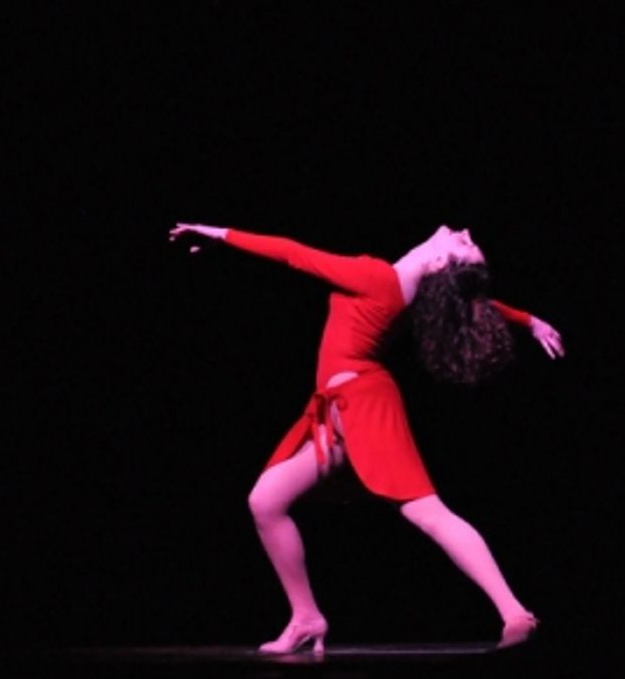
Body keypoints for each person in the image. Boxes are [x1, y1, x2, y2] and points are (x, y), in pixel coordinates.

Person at [167, 222, 565, 654]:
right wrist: (530, 320)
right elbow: (471, 299)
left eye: (464, 244)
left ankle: (515, 613)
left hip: (364, 402)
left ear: (437, 262)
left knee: (426, 512)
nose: (465, 231)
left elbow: (292, 252)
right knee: (266, 501)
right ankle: (306, 618)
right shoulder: (413, 288)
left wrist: (219, 234)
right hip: (333, 409)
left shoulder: (379, 278)